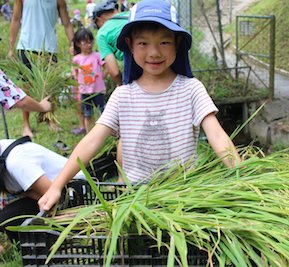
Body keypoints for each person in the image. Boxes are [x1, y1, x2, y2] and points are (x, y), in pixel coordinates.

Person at [39, 0, 242, 211]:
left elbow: (217, 136)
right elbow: (91, 141)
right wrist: (57, 185)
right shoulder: (123, 96)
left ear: (177, 43)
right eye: (143, 43)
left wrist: (241, 177)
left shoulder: (191, 89)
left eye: (164, 42)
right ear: (130, 45)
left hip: (184, 198)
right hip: (137, 201)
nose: (154, 52)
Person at [0, 139, 85, 249]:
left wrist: (28, 194)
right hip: (45, 193)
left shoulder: (16, 161)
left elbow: (54, 196)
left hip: (72, 193)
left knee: (7, 218)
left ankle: (39, 246)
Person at [8, 0, 74, 138]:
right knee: (26, 87)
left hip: (49, 48)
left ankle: (49, 119)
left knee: (50, 87)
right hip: (27, 46)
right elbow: (15, 19)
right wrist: (11, 47)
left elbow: (67, 23)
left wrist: (73, 44)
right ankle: (26, 125)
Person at [72, 28, 106, 134]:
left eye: (90, 42)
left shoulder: (97, 56)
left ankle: (104, 133)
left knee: (102, 112)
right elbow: (75, 73)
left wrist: (102, 77)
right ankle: (89, 133)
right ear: (78, 44)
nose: (89, 45)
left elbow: (107, 66)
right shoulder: (77, 59)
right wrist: (77, 87)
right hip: (85, 91)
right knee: (87, 114)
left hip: (98, 90)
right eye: (85, 43)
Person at [92, 0, 129, 86]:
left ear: (98, 19)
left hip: (137, 68)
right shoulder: (133, 14)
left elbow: (114, 72)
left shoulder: (102, 33)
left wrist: (121, 85)